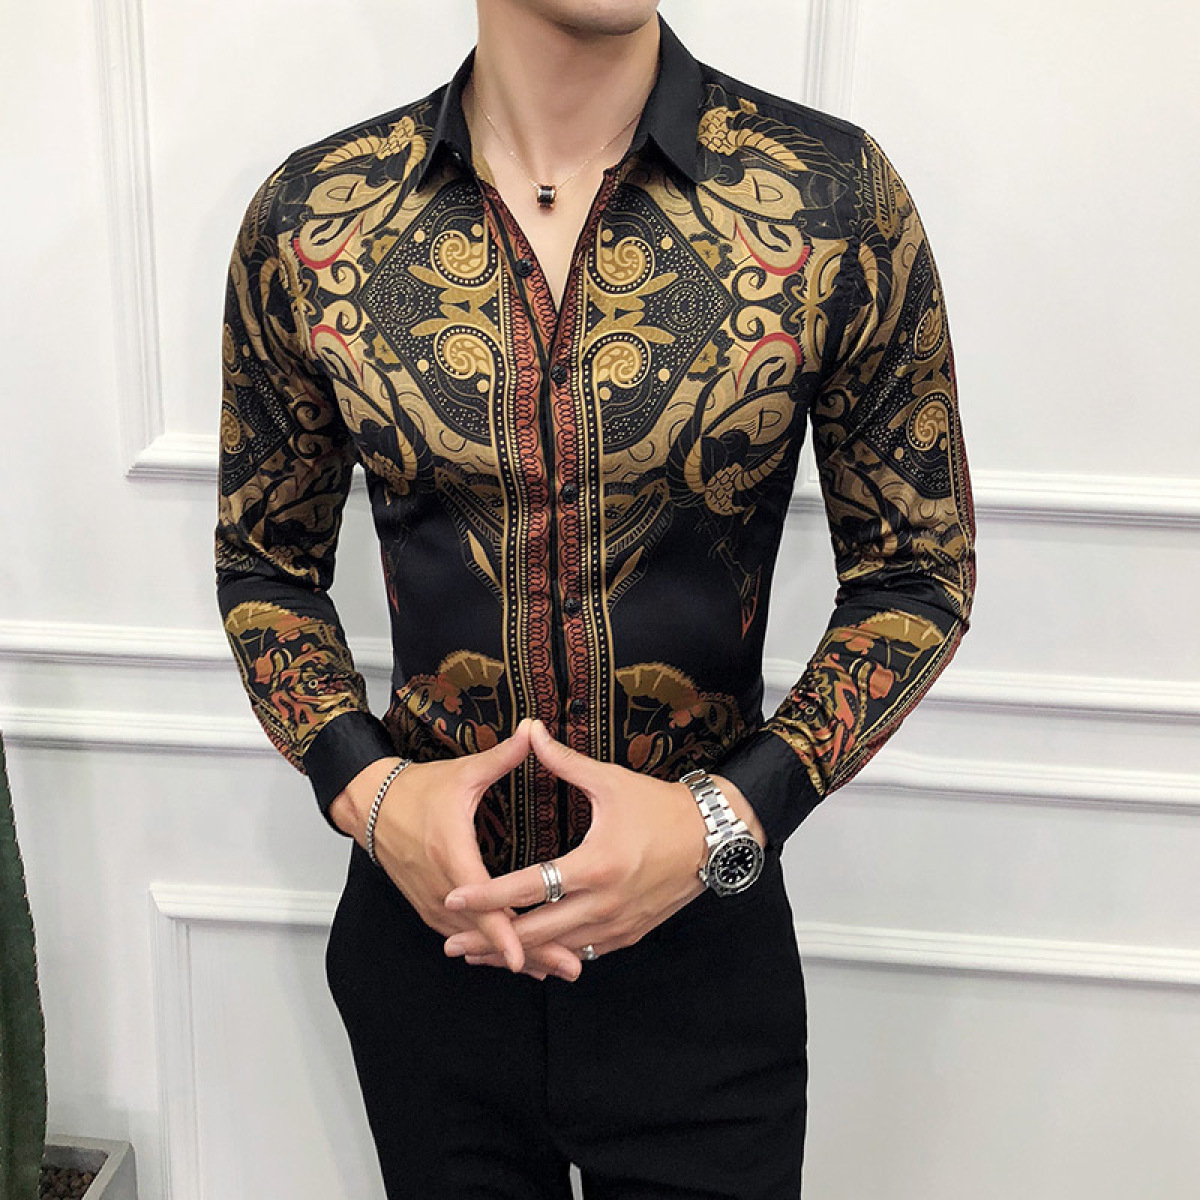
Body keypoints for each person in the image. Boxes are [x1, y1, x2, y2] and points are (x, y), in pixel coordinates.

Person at [214, 1, 977, 1195]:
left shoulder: (831, 198)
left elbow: (917, 570)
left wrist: (723, 818)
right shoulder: (316, 219)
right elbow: (264, 559)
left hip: (702, 963)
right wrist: (371, 794)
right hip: (428, 950)